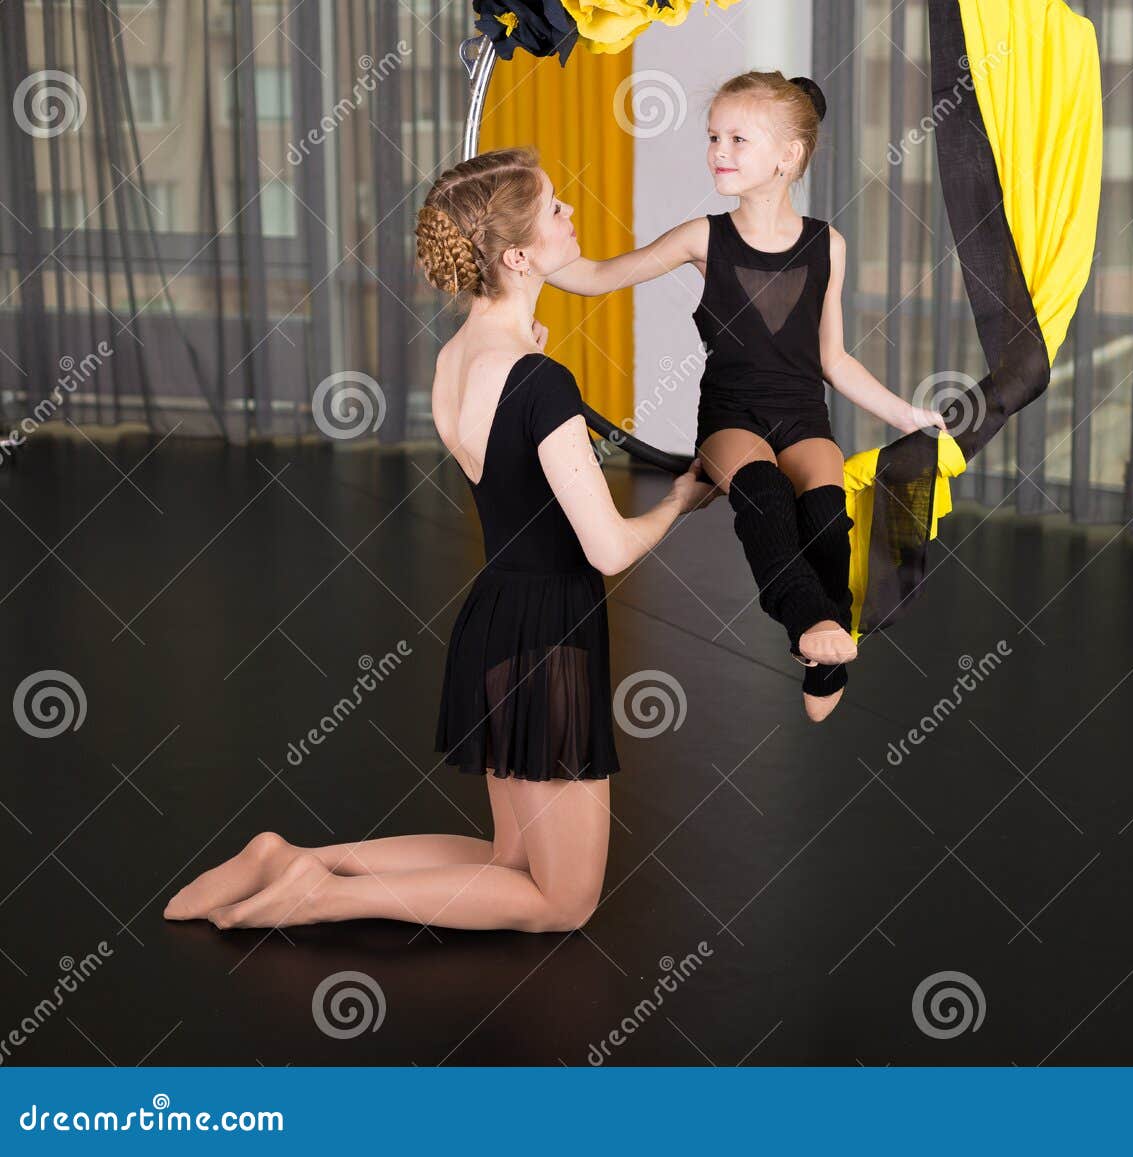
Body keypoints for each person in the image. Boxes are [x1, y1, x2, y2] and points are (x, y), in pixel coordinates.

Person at [163, 147, 717, 932]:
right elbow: (608, 548)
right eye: (556, 208)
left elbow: (516, 471)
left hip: (496, 619)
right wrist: (684, 499)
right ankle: (324, 897)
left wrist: (537, 356)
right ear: (520, 254)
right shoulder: (537, 378)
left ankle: (297, 858)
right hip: (551, 630)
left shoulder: (458, 357)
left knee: (508, 859)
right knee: (561, 902)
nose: (572, 218)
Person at [548, 71, 944, 723]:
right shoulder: (703, 239)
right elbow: (596, 276)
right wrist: (525, 252)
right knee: (761, 495)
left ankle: (826, 651)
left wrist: (907, 414)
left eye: (737, 138)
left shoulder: (827, 246)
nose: (718, 151)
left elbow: (833, 358)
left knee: (823, 515)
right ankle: (809, 620)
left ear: (788, 157)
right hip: (732, 417)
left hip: (803, 415)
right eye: (712, 137)